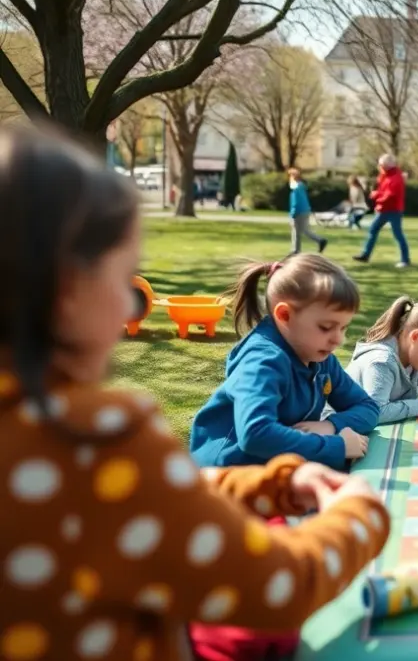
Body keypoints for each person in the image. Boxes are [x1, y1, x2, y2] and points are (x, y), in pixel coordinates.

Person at [0, 124, 390, 661]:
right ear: (67, 289)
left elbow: (145, 501)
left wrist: (277, 482)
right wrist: (362, 512)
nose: (129, 308)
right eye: (124, 279)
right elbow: (277, 587)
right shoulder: (94, 438)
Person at [189, 254, 379, 471]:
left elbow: (368, 407)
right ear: (285, 315)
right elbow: (255, 434)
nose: (338, 339)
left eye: (344, 328)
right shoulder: (262, 361)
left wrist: (329, 425)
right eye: (326, 327)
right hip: (229, 475)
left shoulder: (321, 358)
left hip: (278, 469)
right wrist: (337, 446)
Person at [353, 153, 410, 268]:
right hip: (383, 209)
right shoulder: (386, 176)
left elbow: (390, 195)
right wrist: (378, 195)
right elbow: (385, 191)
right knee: (372, 231)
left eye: (381, 165)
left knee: (398, 234)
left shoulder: (395, 178)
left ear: (387, 165)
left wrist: (376, 195)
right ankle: (365, 255)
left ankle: (405, 260)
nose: (379, 167)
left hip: (393, 210)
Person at [287, 167, 327, 255]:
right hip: (305, 210)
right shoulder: (301, 186)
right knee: (305, 230)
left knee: (296, 231)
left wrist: (293, 214)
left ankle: (296, 250)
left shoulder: (296, 187)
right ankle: (320, 240)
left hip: (298, 211)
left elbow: (296, 201)